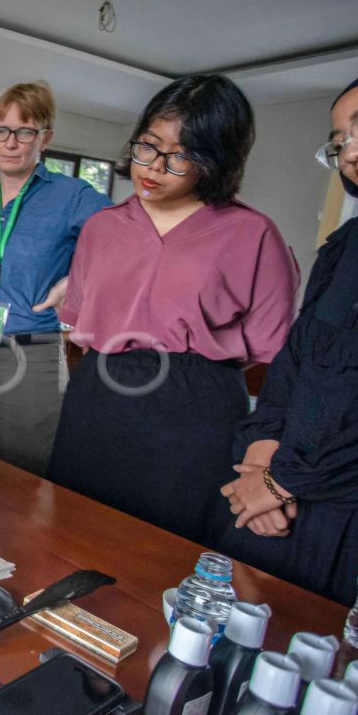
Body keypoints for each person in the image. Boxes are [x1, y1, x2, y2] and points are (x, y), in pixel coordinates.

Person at [46, 75, 299, 547]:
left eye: (180, 155)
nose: (155, 167)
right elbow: (80, 319)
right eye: (148, 145)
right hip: (100, 391)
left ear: (217, 160)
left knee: (170, 545)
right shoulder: (102, 227)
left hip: (195, 403)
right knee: (74, 529)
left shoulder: (252, 234)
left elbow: (272, 350)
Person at [219, 53, 358, 605]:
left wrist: (280, 482)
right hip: (279, 507)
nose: (354, 150)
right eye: (341, 140)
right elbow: (293, 363)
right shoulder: (351, 244)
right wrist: (259, 458)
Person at [0, 82, 111, 476]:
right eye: (1, 130)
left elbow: (126, 238)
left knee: (25, 471)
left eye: (24, 131)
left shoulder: (72, 195)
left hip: (28, 350)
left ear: (45, 137)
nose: (10, 143)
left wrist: (76, 282)